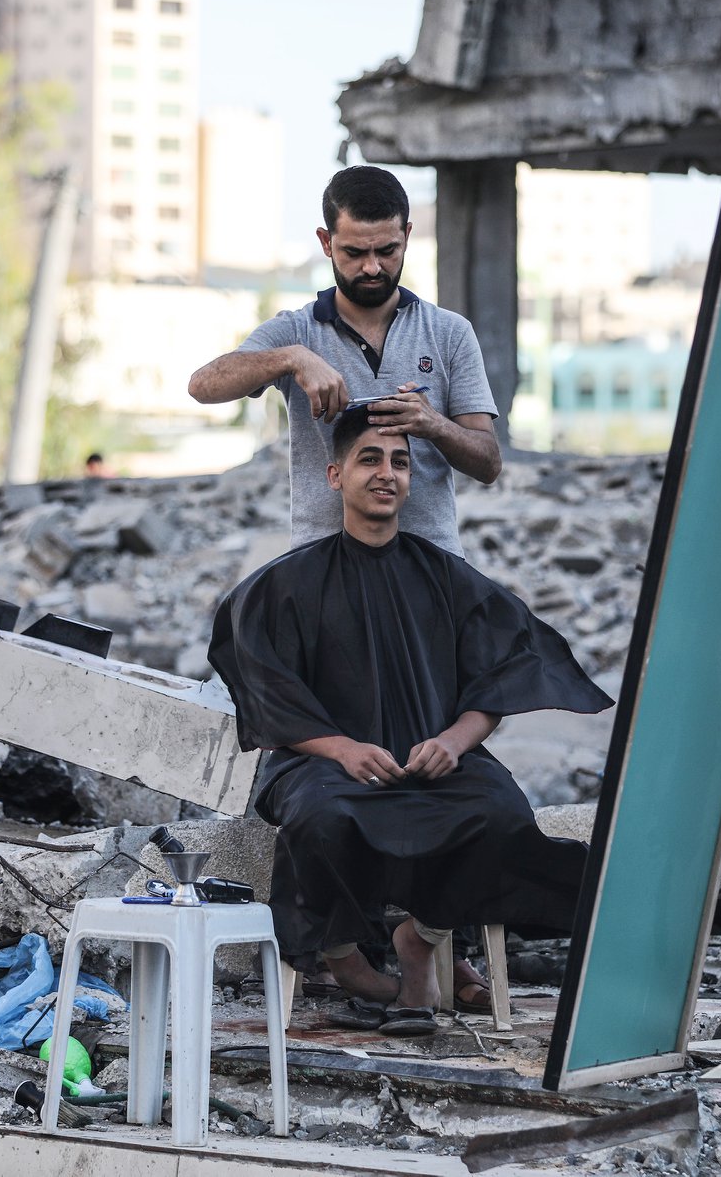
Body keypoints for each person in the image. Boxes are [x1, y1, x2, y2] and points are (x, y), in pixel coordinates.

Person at [207, 409, 611, 1035]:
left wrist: (453, 742)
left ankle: (421, 939)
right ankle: (344, 958)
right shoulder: (287, 584)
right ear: (335, 475)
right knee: (319, 818)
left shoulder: (444, 575)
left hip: (433, 760)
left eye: (400, 462)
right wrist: (341, 748)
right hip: (323, 765)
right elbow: (266, 690)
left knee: (501, 812)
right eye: (370, 459)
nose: (386, 473)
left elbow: (502, 670)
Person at [188, 166, 500, 559]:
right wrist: (292, 359)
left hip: (431, 567)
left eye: (387, 251)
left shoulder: (449, 332)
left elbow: (489, 463)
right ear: (326, 241)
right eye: (354, 253)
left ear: (406, 236)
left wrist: (433, 424)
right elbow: (202, 386)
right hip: (320, 568)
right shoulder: (296, 331)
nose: (372, 267)